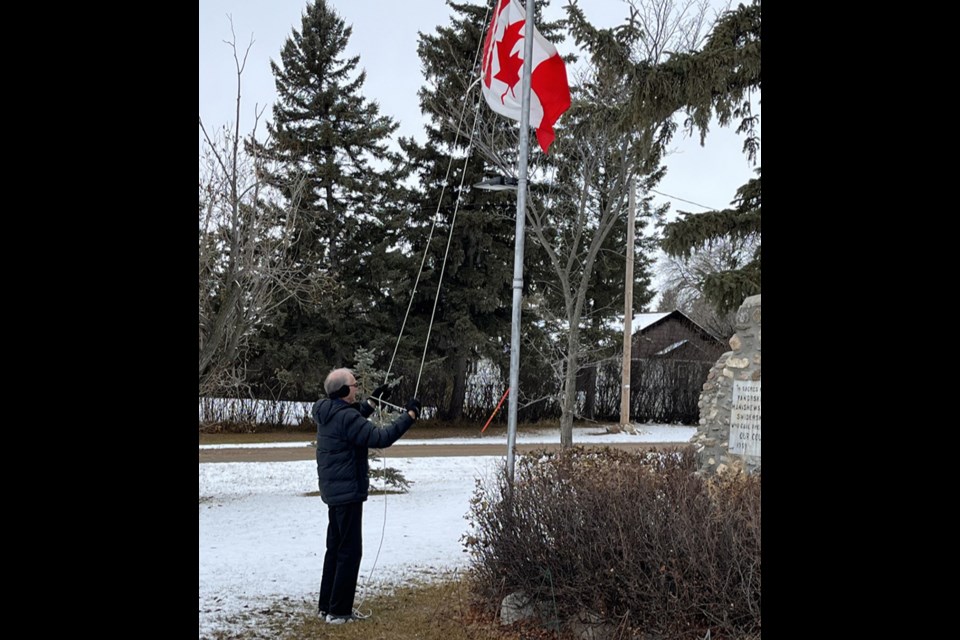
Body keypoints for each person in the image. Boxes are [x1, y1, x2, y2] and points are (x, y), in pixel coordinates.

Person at [311, 367, 422, 624]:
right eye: (353, 386)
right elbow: (381, 437)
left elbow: (351, 419)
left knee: (335, 549)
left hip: (335, 492)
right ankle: (339, 612)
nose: (356, 389)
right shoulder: (345, 418)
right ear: (341, 392)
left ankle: (327, 606)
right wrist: (410, 416)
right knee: (349, 551)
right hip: (347, 493)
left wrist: (371, 402)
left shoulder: (328, 412)